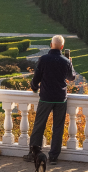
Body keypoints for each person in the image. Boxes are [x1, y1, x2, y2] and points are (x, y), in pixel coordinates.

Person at [23, 34, 77, 165]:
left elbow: (36, 78)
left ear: (51, 45)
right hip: (60, 98)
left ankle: (34, 152)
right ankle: (53, 157)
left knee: (39, 125)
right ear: (62, 47)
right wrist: (71, 63)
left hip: (46, 97)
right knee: (58, 127)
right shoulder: (66, 61)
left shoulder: (43, 59)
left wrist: (34, 88)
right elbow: (71, 77)